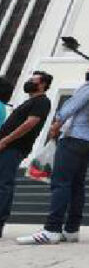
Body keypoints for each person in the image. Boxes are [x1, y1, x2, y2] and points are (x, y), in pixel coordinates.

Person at [18, 59, 89, 245]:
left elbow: (71, 105)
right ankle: (71, 229)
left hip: (74, 136)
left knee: (60, 182)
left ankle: (51, 229)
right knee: (77, 184)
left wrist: (56, 124)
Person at [0, 72, 52, 238]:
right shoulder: (30, 101)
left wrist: (6, 140)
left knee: (4, 185)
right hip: (7, 146)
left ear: (42, 84)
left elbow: (30, 123)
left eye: (33, 80)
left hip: (13, 147)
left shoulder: (42, 101)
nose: (28, 81)